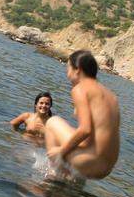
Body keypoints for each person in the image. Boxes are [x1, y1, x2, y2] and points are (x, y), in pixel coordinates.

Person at [45, 50, 120, 179]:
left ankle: (54, 174)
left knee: (52, 122)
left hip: (90, 162)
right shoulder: (111, 96)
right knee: (71, 133)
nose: (67, 74)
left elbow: (85, 130)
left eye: (68, 69)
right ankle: (68, 179)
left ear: (77, 70)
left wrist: (60, 151)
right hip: (107, 168)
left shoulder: (80, 89)